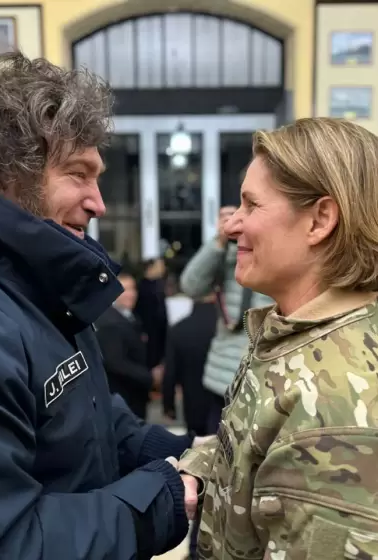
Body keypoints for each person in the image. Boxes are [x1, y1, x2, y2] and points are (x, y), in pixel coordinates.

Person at [0, 51, 199, 560]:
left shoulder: (27, 278)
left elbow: (71, 413)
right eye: (78, 174)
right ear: (3, 174)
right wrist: (161, 499)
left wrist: (166, 451)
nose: (99, 201)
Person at [179, 117, 378, 559]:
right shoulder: (293, 332)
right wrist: (197, 466)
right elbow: (255, 447)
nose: (233, 227)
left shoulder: (339, 402)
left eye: (251, 206)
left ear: (320, 220)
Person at [180, 207, 271, 433]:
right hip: (224, 381)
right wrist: (220, 241)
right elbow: (191, 285)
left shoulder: (283, 249)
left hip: (270, 382)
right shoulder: (232, 250)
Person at [96, 271, 153, 419]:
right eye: (125, 289)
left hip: (132, 394)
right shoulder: (110, 322)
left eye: (133, 289)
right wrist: (148, 377)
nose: (131, 294)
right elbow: (115, 362)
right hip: (124, 397)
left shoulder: (129, 315)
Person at [163, 293, 217, 435]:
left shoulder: (179, 329)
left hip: (193, 406)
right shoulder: (226, 329)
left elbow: (170, 372)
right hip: (225, 402)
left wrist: (169, 405)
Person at [134, 258, 168, 381]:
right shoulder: (142, 287)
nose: (163, 269)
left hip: (159, 331)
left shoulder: (159, 285)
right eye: (160, 266)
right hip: (147, 332)